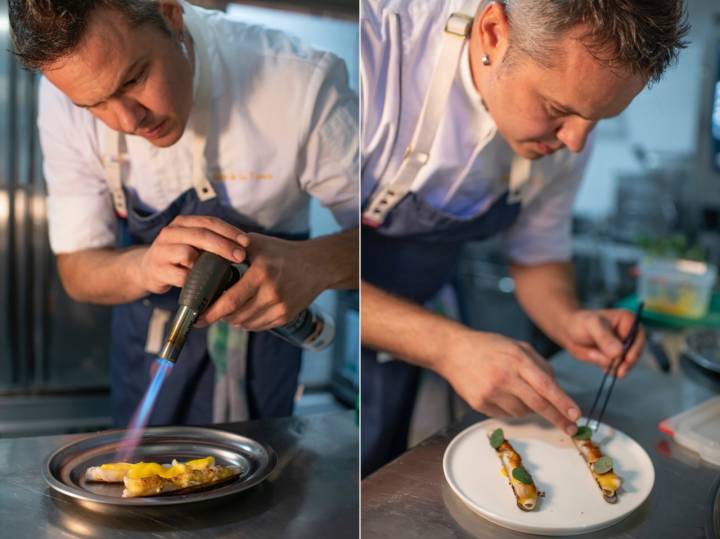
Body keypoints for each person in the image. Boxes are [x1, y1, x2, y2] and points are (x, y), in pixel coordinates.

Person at [360, 0, 688, 475]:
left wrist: (568, 318)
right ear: (493, 32)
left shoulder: (575, 125)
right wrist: (447, 346)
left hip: (423, 321)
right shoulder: (378, 52)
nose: (575, 141)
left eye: (597, 120)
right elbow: (322, 262)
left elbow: (537, 253)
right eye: (558, 109)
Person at [10, 0, 358, 426]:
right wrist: (142, 267)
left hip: (263, 351)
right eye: (94, 106)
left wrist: (314, 265)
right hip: (146, 350)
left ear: (171, 15)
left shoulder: (300, 83)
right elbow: (77, 268)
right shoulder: (64, 95)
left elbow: (390, 241)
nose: (126, 121)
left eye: (134, 79)